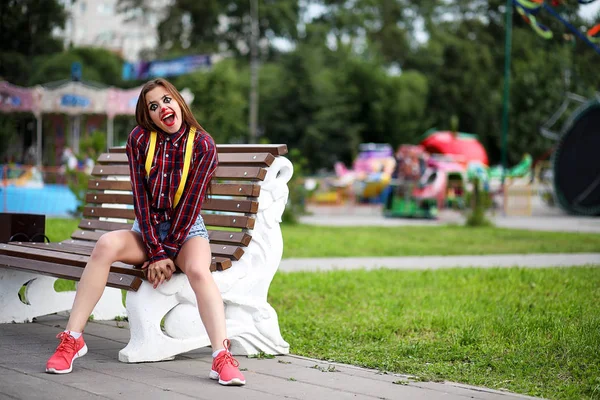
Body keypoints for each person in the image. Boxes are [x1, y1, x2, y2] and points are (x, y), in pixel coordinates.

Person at [45, 78, 246, 386]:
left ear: (178, 102)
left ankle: (221, 356)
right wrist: (155, 251)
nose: (162, 107)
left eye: (166, 100)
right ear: (148, 115)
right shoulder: (140, 140)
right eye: (154, 106)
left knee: (197, 270)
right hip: (147, 230)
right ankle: (72, 339)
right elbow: (141, 200)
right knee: (105, 245)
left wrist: (167, 252)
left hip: (187, 229)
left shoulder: (203, 145)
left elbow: (189, 207)